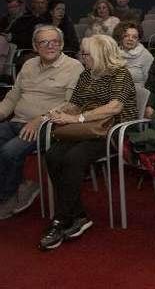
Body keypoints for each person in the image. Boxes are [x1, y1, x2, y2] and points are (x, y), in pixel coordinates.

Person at [39, 34, 138, 250]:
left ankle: (62, 218)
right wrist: (61, 111)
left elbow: (114, 107)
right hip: (85, 129)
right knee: (54, 155)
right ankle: (77, 215)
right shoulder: (86, 75)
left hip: (111, 132)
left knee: (74, 158)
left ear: (100, 54)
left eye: (86, 54)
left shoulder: (120, 74)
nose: (82, 57)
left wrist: (77, 118)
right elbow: (75, 103)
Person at [0, 26, 83, 219]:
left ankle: (7, 197)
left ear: (62, 44)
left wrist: (41, 118)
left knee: (9, 152)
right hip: (17, 121)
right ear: (35, 47)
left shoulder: (73, 67)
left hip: (48, 125)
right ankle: (22, 185)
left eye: (54, 41)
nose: (50, 46)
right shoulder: (29, 65)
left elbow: (72, 105)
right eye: (43, 42)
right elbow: (12, 97)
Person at [113, 21, 153, 87]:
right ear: (120, 37)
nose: (130, 39)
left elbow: (150, 82)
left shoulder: (145, 55)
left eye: (134, 37)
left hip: (137, 92)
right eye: (126, 36)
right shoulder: (113, 52)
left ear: (138, 40)